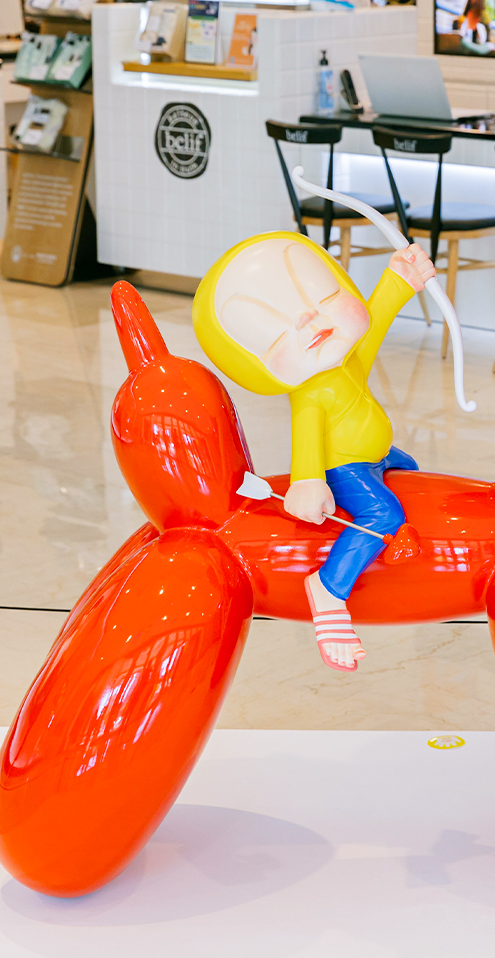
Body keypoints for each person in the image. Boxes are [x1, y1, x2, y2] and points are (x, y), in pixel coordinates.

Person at [193, 232, 434, 673]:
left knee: (411, 472)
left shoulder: (346, 360)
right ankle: (329, 589)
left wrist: (399, 278)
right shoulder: (310, 394)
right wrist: (308, 480)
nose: (307, 317)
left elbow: (375, 321)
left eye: (320, 296)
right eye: (273, 332)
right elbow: (306, 439)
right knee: (384, 514)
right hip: (347, 467)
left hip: (379, 456)